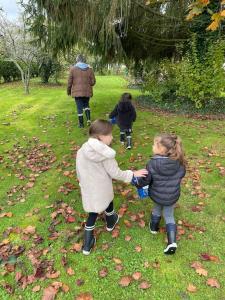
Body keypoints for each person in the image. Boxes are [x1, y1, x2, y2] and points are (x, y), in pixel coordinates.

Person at [76, 119, 147, 255]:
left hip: (88, 186)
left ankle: (93, 237)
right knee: (103, 201)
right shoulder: (105, 154)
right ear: (101, 136)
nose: (112, 137)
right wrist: (132, 174)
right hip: (101, 186)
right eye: (110, 134)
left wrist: (81, 181)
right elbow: (115, 173)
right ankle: (93, 236)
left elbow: (78, 168)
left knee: (94, 208)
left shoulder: (83, 149)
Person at [133, 133, 186, 255]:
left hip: (157, 195)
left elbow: (146, 180)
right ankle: (172, 242)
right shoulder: (180, 163)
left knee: (157, 208)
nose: (152, 146)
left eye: (154, 144)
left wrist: (136, 182)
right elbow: (182, 174)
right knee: (169, 215)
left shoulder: (152, 164)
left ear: (161, 149)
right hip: (172, 195)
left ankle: (153, 228)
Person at [67, 54, 96, 128]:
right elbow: (93, 82)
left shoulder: (73, 69)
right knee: (86, 104)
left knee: (79, 107)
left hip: (77, 92)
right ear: (83, 60)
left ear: (77, 60)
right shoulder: (90, 69)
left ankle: (81, 124)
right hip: (87, 91)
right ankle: (89, 119)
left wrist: (68, 91)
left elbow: (69, 82)